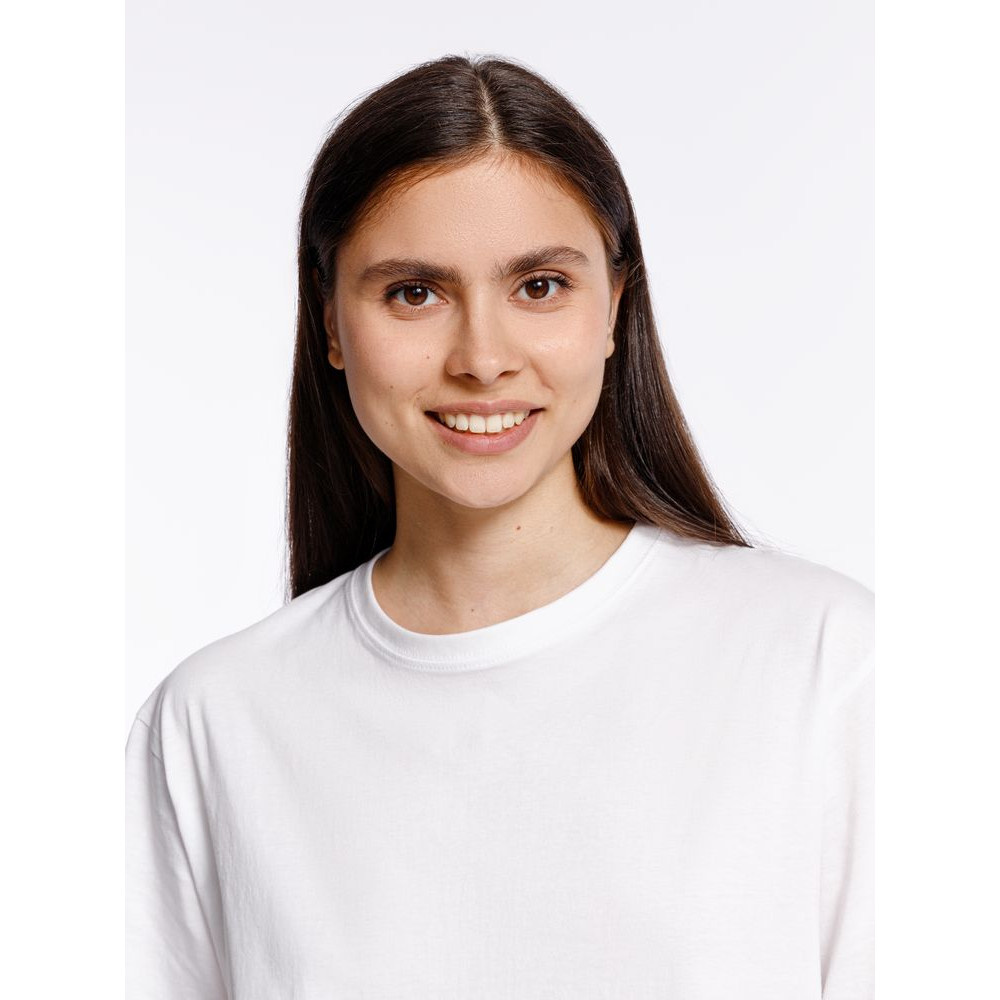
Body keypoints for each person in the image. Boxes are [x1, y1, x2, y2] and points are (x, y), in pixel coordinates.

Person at [125, 54, 873, 999]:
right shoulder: (216, 722)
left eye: (540, 286)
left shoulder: (823, 663)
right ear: (330, 324)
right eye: (414, 292)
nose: (482, 359)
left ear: (616, 307)